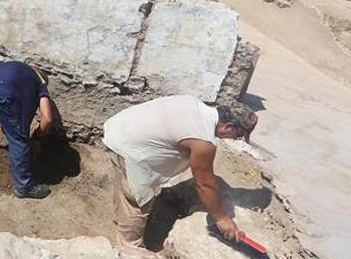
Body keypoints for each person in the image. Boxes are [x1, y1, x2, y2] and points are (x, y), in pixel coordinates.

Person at [102, 95, 259, 250]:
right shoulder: (203, 141)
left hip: (121, 127)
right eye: (238, 136)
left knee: (125, 190)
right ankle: (130, 248)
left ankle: (122, 219)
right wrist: (223, 218)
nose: (234, 139)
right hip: (129, 148)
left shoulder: (194, 103)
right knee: (136, 202)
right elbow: (204, 184)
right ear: (228, 127)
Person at [0, 61, 54, 199]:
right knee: (19, 139)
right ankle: (24, 187)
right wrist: (36, 137)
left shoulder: (16, 68)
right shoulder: (39, 83)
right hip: (2, 92)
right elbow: (48, 119)